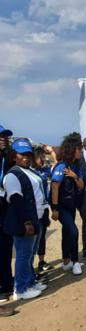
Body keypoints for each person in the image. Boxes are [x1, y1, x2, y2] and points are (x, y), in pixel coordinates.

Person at [3, 138, 48, 300]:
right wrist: (27, 223)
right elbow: (16, 200)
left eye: (28, 154)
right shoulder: (12, 175)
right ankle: (20, 289)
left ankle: (30, 281)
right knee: (23, 255)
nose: (26, 157)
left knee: (30, 254)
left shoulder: (30, 171)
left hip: (36, 219)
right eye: (22, 154)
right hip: (24, 221)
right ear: (14, 156)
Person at [50, 132, 84, 275]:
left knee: (67, 232)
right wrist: (55, 209)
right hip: (61, 206)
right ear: (72, 150)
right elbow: (54, 187)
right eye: (79, 149)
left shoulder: (75, 166)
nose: (81, 151)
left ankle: (66, 261)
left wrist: (75, 176)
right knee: (73, 231)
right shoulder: (61, 166)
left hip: (71, 205)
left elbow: (81, 185)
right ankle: (75, 262)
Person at [32, 145, 57, 273]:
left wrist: (52, 152)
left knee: (42, 236)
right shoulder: (29, 171)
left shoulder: (45, 170)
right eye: (39, 157)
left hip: (44, 207)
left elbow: (56, 166)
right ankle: (29, 266)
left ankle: (41, 262)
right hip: (33, 209)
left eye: (43, 156)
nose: (42, 159)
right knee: (33, 237)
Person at [0, 125, 15, 306]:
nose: (4, 138)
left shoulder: (7, 157)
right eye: (0, 136)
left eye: (5, 136)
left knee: (6, 246)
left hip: (5, 208)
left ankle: (6, 283)